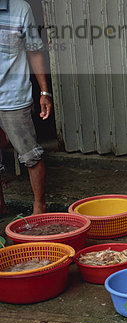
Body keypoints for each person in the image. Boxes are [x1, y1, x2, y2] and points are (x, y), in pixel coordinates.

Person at [0, 0, 51, 216]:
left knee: (30, 155)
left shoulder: (21, 9)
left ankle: (39, 206)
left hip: (13, 99)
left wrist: (44, 92)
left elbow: (34, 51)